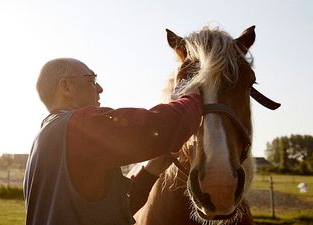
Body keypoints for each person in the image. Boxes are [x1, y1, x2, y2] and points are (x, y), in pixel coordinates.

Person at [23, 58, 203, 225]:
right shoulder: (77, 127)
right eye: (92, 80)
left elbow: (111, 212)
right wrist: (195, 96)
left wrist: (151, 171)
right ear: (66, 87)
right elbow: (156, 126)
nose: (100, 88)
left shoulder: (44, 139)